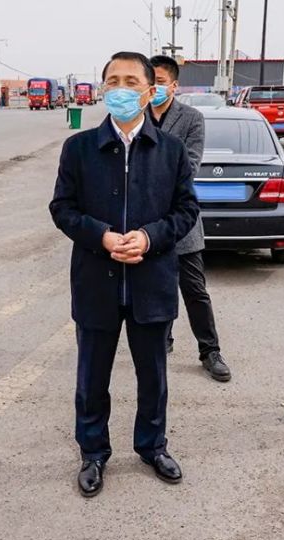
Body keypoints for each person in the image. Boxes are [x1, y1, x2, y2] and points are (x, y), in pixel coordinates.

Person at [49, 51, 199, 498]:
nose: (121, 89)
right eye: (113, 81)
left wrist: (150, 238)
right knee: (92, 375)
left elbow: (186, 209)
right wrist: (103, 237)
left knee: (152, 373)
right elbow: (62, 208)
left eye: (131, 82)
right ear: (101, 90)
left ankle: (153, 446)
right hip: (97, 280)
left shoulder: (170, 150)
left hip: (151, 281)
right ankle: (92, 452)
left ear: (151, 91)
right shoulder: (78, 148)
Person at [148, 54, 232, 383]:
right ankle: (161, 340)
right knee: (154, 288)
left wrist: (145, 173)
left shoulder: (192, 118)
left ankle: (210, 350)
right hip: (143, 225)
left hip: (181, 222)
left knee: (195, 290)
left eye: (158, 81)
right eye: (149, 81)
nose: (153, 87)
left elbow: (190, 167)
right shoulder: (134, 117)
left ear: (173, 85)